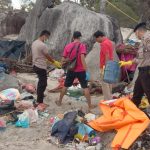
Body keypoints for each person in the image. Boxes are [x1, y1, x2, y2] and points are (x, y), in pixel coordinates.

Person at [55, 31, 96, 110]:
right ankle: (90, 106)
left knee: (65, 86)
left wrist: (68, 60)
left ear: (73, 37)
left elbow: (62, 60)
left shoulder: (68, 46)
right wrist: (86, 70)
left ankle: (59, 102)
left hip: (71, 69)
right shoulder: (82, 46)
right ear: (80, 37)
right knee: (85, 87)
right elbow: (82, 58)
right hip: (81, 70)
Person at [120, 22, 150, 107]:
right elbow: (141, 58)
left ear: (138, 32)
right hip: (142, 70)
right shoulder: (143, 40)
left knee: (148, 91)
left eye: (135, 34)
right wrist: (128, 62)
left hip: (147, 70)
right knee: (137, 91)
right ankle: (134, 109)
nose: (136, 36)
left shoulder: (147, 38)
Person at [32, 30, 61, 109]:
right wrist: (54, 62)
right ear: (44, 35)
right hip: (40, 67)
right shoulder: (42, 45)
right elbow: (47, 55)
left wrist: (46, 60)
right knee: (43, 84)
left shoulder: (34, 43)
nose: (47, 39)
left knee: (41, 83)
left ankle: (39, 96)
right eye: (47, 37)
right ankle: (40, 102)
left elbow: (39, 54)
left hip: (35, 65)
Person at [93, 30, 114, 100]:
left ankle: (107, 99)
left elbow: (107, 55)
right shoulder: (109, 41)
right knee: (109, 83)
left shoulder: (103, 43)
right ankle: (109, 97)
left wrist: (105, 67)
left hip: (105, 66)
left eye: (96, 39)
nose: (96, 41)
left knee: (104, 84)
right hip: (111, 64)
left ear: (99, 37)